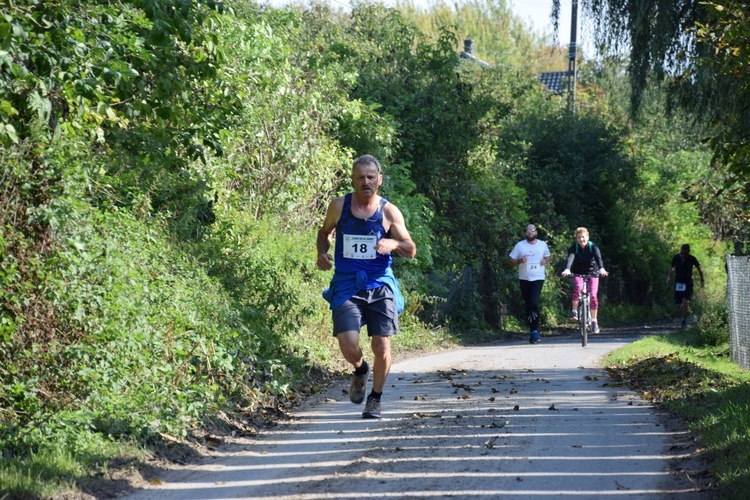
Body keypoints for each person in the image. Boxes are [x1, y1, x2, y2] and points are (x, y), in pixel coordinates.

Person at [316, 154, 417, 419]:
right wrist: (322, 253)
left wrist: (393, 243)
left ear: (379, 180)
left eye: (371, 177)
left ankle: (375, 398)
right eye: (360, 177)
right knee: (348, 345)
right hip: (347, 284)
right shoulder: (339, 206)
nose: (366, 182)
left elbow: (410, 248)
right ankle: (360, 370)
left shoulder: (388, 212)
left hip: (379, 285)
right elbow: (324, 232)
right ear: (352, 179)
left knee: (382, 347)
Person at [509, 224, 551, 344]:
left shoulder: (542, 244)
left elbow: (548, 256)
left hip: (538, 277)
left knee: (533, 301)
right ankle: (532, 330)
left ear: (536, 232)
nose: (530, 233)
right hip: (524, 278)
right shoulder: (520, 246)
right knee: (528, 304)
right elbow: (511, 260)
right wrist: (519, 261)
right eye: (528, 231)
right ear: (526, 233)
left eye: (532, 230)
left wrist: (545, 261)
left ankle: (534, 330)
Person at [561, 227, 609, 334]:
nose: (581, 239)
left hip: (592, 273)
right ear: (576, 239)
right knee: (577, 287)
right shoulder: (575, 247)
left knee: (592, 295)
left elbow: (598, 258)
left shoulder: (593, 247)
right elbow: (570, 258)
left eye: (583, 237)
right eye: (579, 238)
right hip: (578, 273)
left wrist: (601, 268)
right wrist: (567, 269)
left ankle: (594, 321)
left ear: (587, 237)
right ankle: (574, 312)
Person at [666, 244, 704, 329]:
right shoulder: (676, 258)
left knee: (685, 301)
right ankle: (685, 309)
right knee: (678, 304)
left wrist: (702, 280)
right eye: (682, 253)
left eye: (685, 254)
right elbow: (671, 267)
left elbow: (699, 269)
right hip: (678, 283)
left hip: (688, 283)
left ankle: (683, 322)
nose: (683, 255)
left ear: (688, 252)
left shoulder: (692, 259)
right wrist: (668, 277)